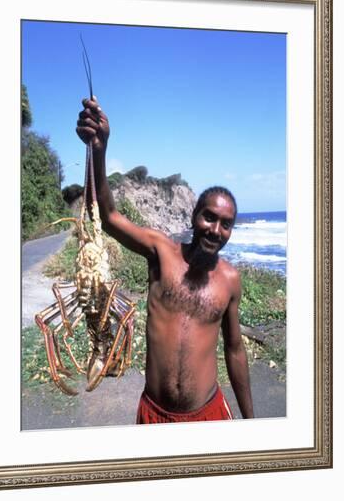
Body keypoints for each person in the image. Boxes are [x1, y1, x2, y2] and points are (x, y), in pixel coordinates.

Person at [76, 97, 254, 423]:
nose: (215, 230)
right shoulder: (160, 251)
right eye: (208, 217)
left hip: (209, 414)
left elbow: (234, 349)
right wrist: (99, 150)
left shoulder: (230, 279)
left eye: (225, 224)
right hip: (155, 413)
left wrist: (251, 422)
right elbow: (110, 215)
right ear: (193, 216)